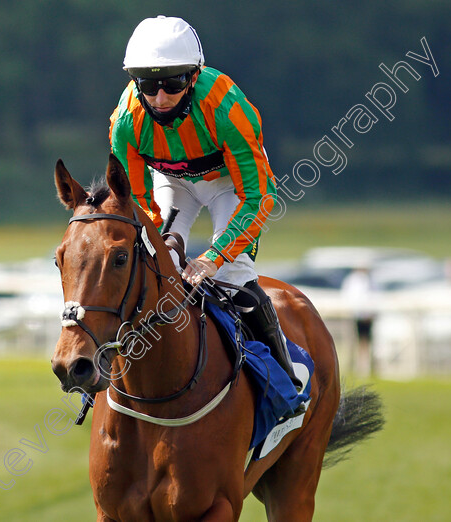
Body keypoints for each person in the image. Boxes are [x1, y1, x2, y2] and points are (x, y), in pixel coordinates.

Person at [109, 15, 301, 391]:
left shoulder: (230, 110)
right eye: (148, 85)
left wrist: (213, 258)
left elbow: (260, 198)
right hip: (171, 182)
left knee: (232, 277)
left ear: (193, 77)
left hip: (230, 187)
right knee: (151, 257)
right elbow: (133, 202)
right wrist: (162, 240)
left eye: (173, 83)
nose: (160, 98)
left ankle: (284, 382)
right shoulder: (124, 122)